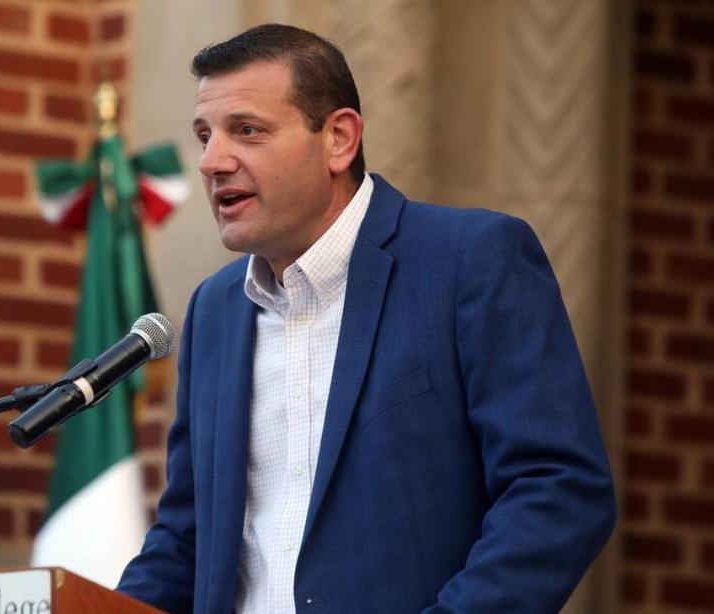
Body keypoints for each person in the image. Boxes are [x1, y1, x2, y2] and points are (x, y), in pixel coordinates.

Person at [118, 24, 616, 614]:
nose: (211, 161)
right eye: (204, 135)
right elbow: (185, 539)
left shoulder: (469, 260)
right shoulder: (216, 310)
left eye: (246, 131)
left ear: (339, 139)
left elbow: (558, 488)